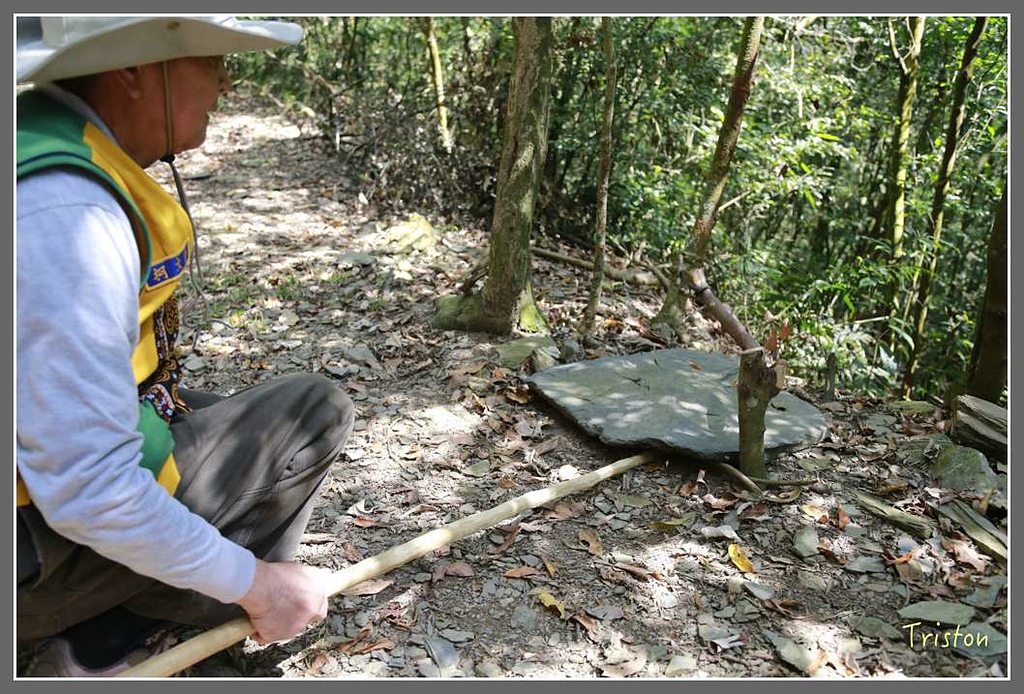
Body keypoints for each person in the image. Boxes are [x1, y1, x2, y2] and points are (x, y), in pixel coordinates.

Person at [16, 16, 355, 676]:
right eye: (212, 60)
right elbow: (92, 487)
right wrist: (259, 583)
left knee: (215, 412)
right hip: (30, 556)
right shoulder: (67, 213)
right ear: (133, 70)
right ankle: (117, 642)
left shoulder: (37, 140)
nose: (226, 84)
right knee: (313, 412)